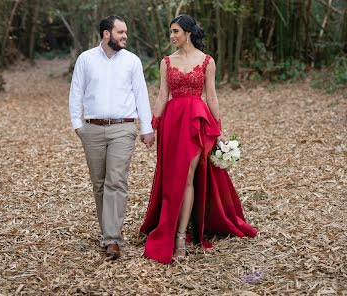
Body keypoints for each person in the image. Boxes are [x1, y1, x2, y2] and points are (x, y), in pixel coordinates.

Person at [140, 14, 257, 264]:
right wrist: (152, 126)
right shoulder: (166, 62)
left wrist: (220, 129)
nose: (171, 36)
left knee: (187, 179)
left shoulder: (206, 61)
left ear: (188, 33)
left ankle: (181, 236)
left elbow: (211, 97)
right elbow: (162, 96)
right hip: (172, 124)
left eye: (175, 31)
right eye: (170, 32)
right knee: (172, 178)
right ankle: (170, 227)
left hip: (195, 123)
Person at [69, 15, 154, 260]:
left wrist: (146, 127)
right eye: (120, 32)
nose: (125, 36)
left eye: (125, 32)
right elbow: (76, 93)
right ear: (106, 34)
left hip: (123, 128)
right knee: (99, 184)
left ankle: (112, 240)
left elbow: (141, 95)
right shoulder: (85, 59)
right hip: (92, 129)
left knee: (116, 180)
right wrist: (78, 126)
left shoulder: (132, 61)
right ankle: (108, 232)